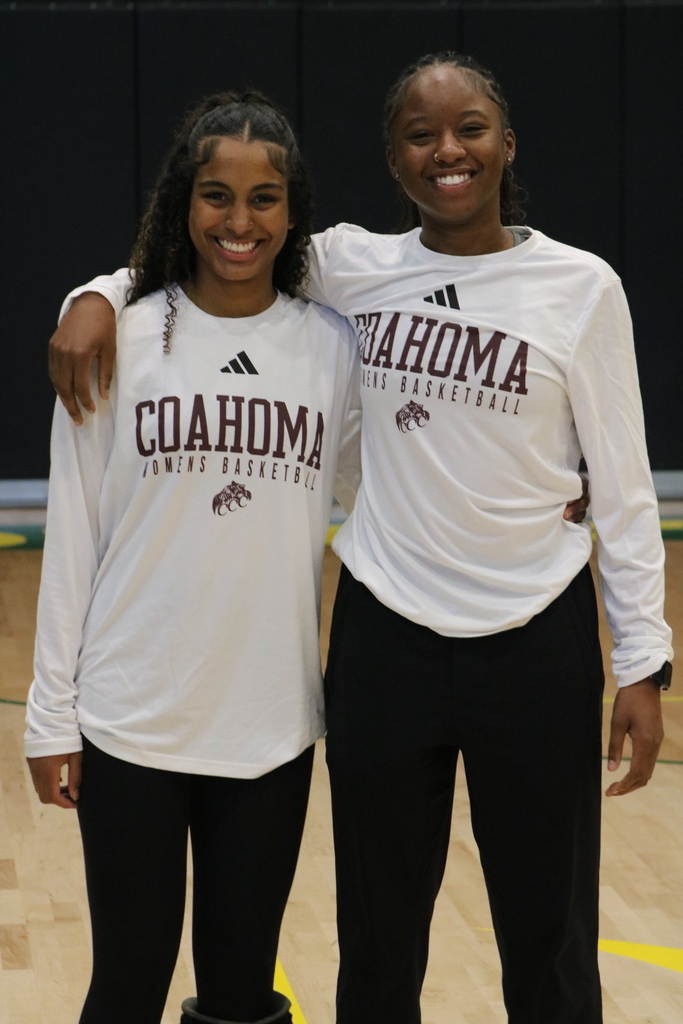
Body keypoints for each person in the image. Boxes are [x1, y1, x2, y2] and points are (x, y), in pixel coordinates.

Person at [45, 53, 672, 1024]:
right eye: (420, 134)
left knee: (547, 942)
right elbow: (210, 240)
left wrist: (642, 658)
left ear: (506, 143)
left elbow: (625, 490)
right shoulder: (349, 267)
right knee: (375, 945)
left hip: (534, 640)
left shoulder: (578, 287)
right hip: (386, 645)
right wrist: (93, 293)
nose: (446, 149)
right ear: (391, 158)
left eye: (468, 127)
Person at [26, 92, 361, 1024]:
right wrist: (49, 716)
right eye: (216, 195)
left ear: (293, 213)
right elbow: (74, 533)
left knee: (243, 990)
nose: (238, 221)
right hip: (131, 718)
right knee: (126, 982)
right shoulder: (112, 340)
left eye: (263, 198)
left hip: (269, 722)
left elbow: (395, 483)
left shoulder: (331, 349)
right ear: (183, 203)